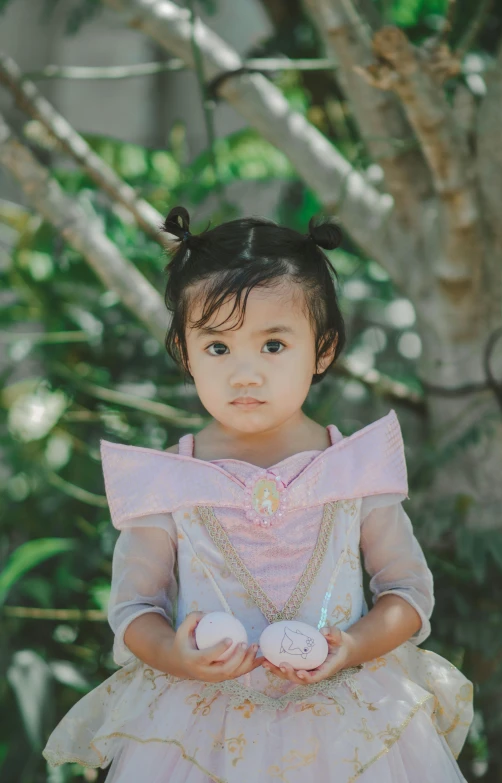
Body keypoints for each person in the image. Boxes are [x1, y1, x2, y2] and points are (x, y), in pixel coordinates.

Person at [43, 206, 473, 782]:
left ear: (323, 349)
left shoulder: (351, 469)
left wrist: (350, 645)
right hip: (204, 733)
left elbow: (407, 591)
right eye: (218, 348)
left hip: (350, 725)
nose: (245, 374)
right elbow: (134, 608)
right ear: (185, 353)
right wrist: (176, 656)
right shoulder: (168, 481)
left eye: (273, 345)